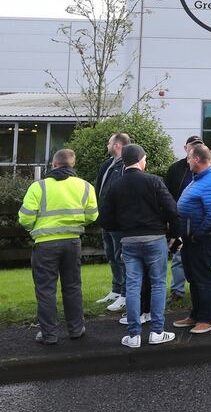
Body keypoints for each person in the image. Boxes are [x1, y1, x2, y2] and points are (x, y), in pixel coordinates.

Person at [99, 144, 179, 348]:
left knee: (133, 285)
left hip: (129, 241)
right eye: (145, 159)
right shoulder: (154, 181)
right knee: (159, 283)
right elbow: (172, 209)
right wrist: (174, 234)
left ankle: (133, 335)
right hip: (154, 238)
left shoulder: (115, 186)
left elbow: (106, 220)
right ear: (141, 160)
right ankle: (157, 331)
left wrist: (124, 228)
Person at [18, 149, 97, 345]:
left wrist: (34, 228)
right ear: (72, 164)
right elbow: (92, 215)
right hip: (72, 243)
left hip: (45, 244)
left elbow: (25, 218)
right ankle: (76, 329)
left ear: (53, 164)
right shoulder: (85, 186)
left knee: (46, 290)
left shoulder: (39, 187)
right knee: (72, 287)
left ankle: (49, 334)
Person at [172, 144, 211, 334]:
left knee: (203, 278)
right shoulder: (199, 178)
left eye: (188, 158)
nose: (186, 161)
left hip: (201, 240)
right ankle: (195, 315)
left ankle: (206, 319)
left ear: (196, 159)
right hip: (190, 239)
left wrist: (197, 235)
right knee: (193, 278)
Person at [164, 135, 204, 301]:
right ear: (185, 147)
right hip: (180, 220)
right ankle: (177, 291)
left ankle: (200, 290)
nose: (194, 148)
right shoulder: (175, 169)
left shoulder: (207, 168)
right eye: (192, 145)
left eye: (198, 145)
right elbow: (167, 195)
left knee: (199, 258)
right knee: (178, 256)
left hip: (199, 221)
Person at [95, 132, 131, 313]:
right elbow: (98, 188)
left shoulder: (126, 166)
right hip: (106, 220)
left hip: (119, 223)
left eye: (109, 143)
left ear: (117, 145)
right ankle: (116, 290)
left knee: (121, 257)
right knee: (111, 255)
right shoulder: (108, 164)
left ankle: (125, 294)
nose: (107, 146)